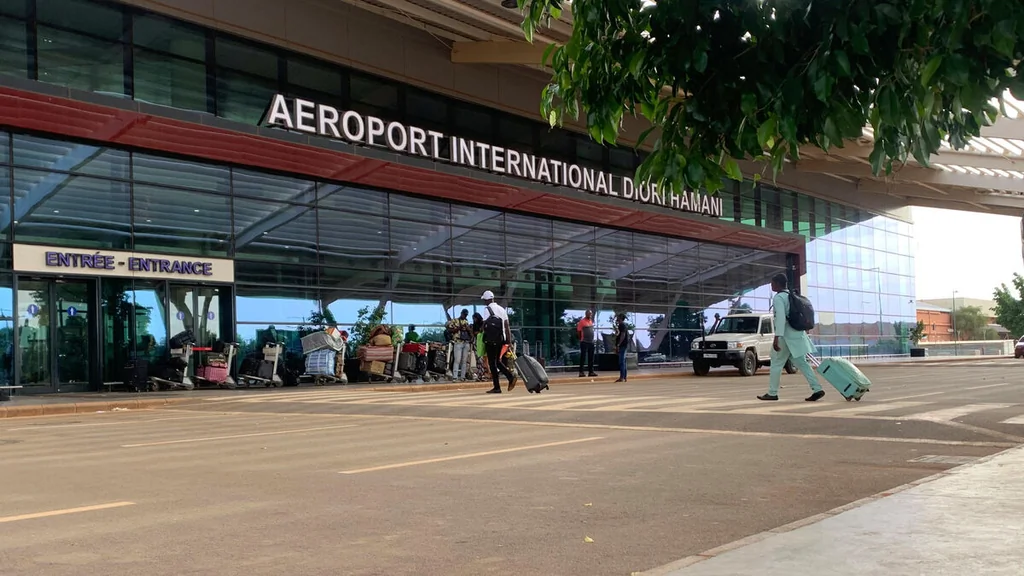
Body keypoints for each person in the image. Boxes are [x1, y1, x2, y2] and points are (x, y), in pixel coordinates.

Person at [758, 273, 825, 402]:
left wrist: (777, 337)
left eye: (772, 283)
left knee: (776, 363)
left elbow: (781, 318)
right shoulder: (791, 295)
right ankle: (817, 389)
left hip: (785, 336)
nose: (771, 286)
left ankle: (772, 393)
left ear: (778, 284)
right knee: (802, 364)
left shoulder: (779, 298)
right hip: (797, 335)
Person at [481, 290, 518, 394]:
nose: (484, 302)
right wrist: (509, 341)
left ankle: (497, 387)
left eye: (484, 300)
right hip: (500, 339)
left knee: (492, 363)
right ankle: (510, 377)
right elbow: (507, 326)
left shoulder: (487, 309)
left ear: (487, 300)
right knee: (497, 361)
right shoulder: (501, 309)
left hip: (490, 339)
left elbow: (484, 326)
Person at [447, 309, 472, 381]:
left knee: (464, 361)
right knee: (457, 360)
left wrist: (468, 329)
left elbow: (470, 332)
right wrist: (459, 328)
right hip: (458, 342)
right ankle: (455, 376)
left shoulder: (466, 321)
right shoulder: (455, 321)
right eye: (464, 314)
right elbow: (450, 330)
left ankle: (463, 377)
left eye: (466, 315)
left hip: (465, 342)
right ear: (461, 313)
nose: (465, 316)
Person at [577, 310, 597, 378]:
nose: (590, 315)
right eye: (589, 314)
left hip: (591, 342)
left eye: (591, 314)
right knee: (583, 357)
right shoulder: (582, 321)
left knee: (591, 357)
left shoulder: (591, 321)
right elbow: (579, 331)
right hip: (584, 341)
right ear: (586, 314)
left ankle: (591, 371)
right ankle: (581, 372)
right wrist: (581, 339)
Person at [614, 313, 630, 383]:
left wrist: (618, 344)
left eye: (618, 317)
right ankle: (624, 377)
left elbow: (623, 335)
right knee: (623, 361)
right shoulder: (622, 325)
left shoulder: (622, 325)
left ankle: (622, 377)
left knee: (621, 361)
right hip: (624, 345)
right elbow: (621, 334)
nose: (616, 318)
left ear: (620, 318)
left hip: (622, 345)